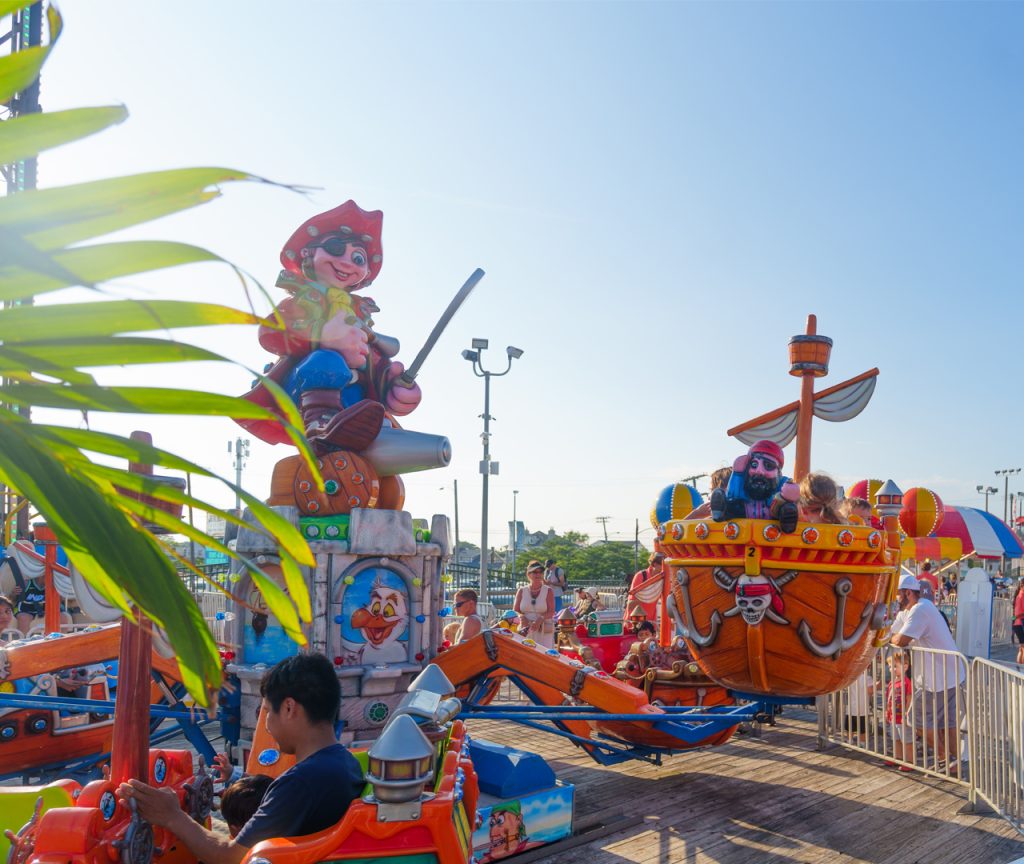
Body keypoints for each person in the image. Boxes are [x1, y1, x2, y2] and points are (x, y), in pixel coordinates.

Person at [119, 653, 364, 863]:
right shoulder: (346, 763)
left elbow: (231, 858)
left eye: (267, 711)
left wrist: (172, 816)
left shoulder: (301, 783)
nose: (266, 725)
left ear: (289, 709)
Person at [238, 201, 422, 455]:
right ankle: (320, 423)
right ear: (308, 255)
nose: (347, 262)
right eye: (335, 248)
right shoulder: (302, 302)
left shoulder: (358, 315)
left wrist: (395, 388)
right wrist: (320, 336)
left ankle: (373, 431)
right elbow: (271, 333)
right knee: (325, 360)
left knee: (371, 407)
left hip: (353, 405)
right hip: (302, 392)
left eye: (358, 257)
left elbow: (373, 360)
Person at [891, 578, 965, 774]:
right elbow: (892, 629)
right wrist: (891, 634)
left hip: (937, 678)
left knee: (915, 720)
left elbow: (900, 639)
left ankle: (945, 759)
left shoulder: (920, 609)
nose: (895, 598)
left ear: (908, 593)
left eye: (898, 593)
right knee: (947, 724)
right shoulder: (912, 610)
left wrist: (891, 638)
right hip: (949, 674)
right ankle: (955, 765)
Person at [709, 440, 800, 532]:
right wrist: (737, 474)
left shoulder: (781, 486)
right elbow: (733, 495)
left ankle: (787, 519)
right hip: (741, 532)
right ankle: (721, 508)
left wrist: (789, 499)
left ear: (778, 472)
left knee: (784, 508)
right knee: (733, 506)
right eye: (754, 464)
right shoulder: (740, 486)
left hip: (772, 534)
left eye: (768, 466)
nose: (759, 471)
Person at [514, 562, 555, 648]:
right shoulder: (521, 591)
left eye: (540, 572)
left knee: (545, 656)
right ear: (528, 574)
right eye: (535, 572)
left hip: (544, 629)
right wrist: (522, 617)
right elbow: (515, 610)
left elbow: (551, 611)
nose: (538, 574)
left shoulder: (548, 591)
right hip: (525, 629)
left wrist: (541, 618)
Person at [884, 650, 913, 770]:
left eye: (895, 666)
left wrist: (907, 712)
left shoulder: (907, 682)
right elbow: (888, 698)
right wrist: (886, 712)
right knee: (895, 738)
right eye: (890, 667)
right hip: (893, 716)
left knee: (906, 740)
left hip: (902, 717)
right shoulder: (892, 682)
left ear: (905, 666)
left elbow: (909, 698)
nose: (892, 669)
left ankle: (910, 761)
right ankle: (898, 757)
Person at [624, 552, 664, 625]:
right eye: (663, 565)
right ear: (655, 564)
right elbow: (631, 604)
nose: (666, 568)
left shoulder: (663, 579)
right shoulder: (641, 576)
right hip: (636, 619)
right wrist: (647, 595)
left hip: (651, 620)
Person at [1013, 581, 1024, 665]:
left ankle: (1019, 667)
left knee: (1021, 648)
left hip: (1019, 624)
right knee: (1022, 648)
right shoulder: (1020, 596)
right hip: (1020, 624)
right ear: (1022, 586)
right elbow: (1018, 614)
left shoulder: (1020, 596)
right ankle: (1020, 667)